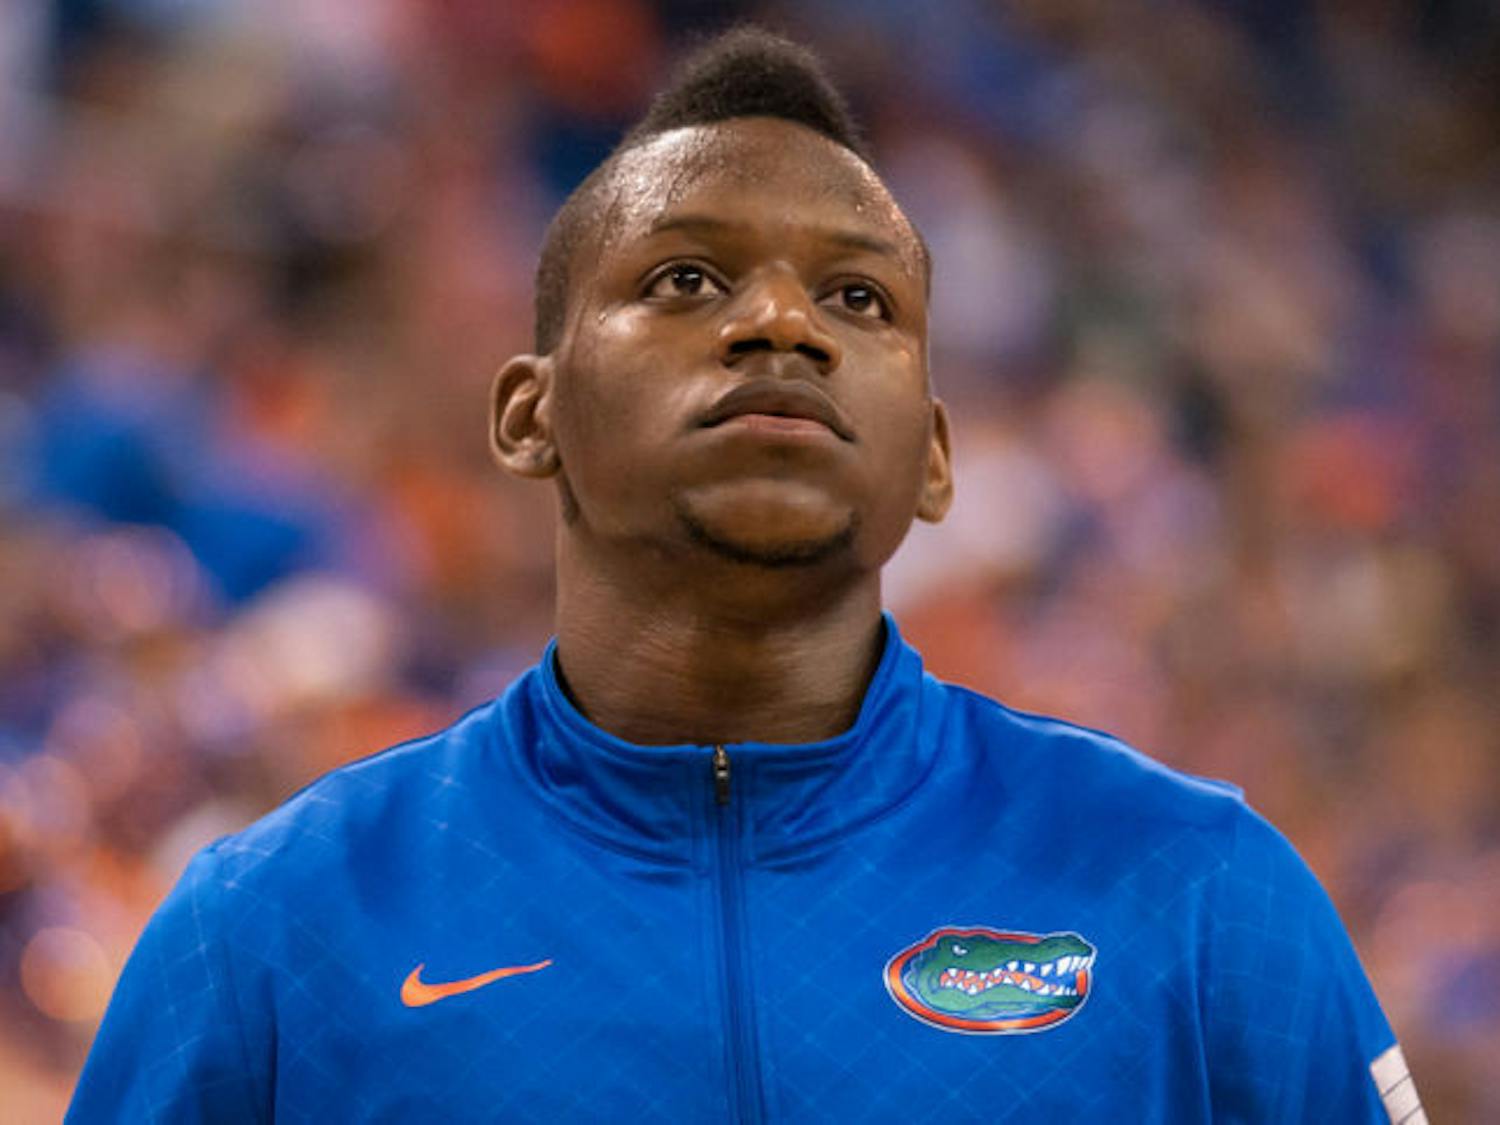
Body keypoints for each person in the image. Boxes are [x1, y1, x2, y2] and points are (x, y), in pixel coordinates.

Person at [69, 28, 1422, 1123]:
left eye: (859, 299)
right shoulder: (272, 933)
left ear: (932, 455)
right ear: (531, 414)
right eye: (686, 277)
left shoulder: (1200, 894)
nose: (781, 321)